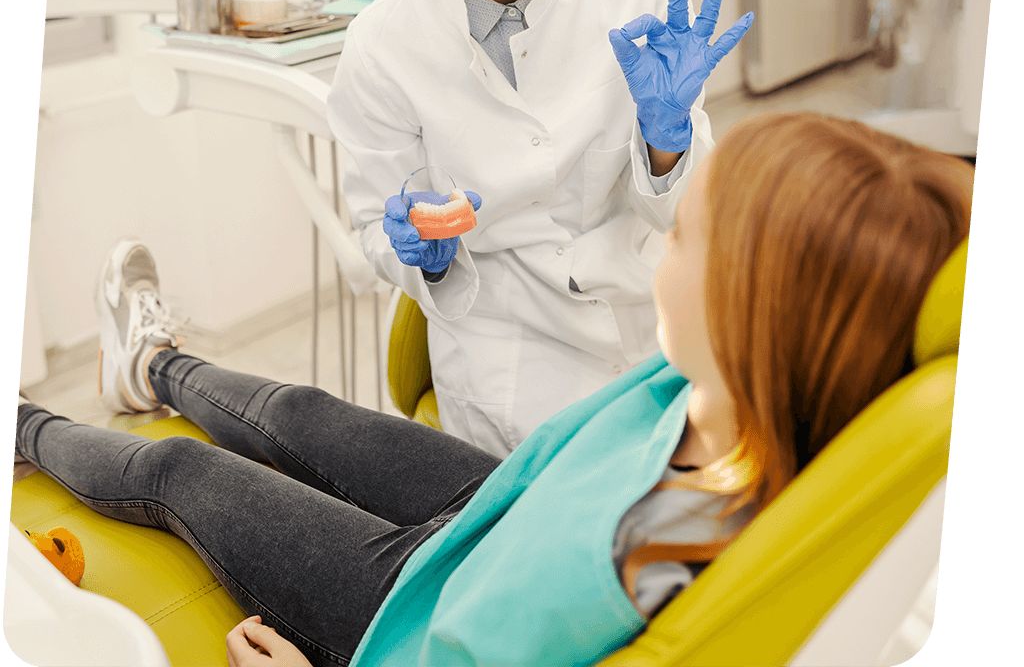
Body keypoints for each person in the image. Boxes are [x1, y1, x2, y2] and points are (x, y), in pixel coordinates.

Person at [15, 112, 973, 667]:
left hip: (426, 602)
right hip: (517, 507)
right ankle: (153, 366)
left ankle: (26, 424)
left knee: (184, 470)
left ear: (753, 315)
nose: (658, 253)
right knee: (302, 412)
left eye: (684, 241)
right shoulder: (737, 391)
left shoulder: (642, 557)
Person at [326, 0, 753, 456]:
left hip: (653, 337)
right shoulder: (383, 46)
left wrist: (667, 139)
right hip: (507, 370)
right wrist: (419, 251)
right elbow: (377, 229)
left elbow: (690, 217)